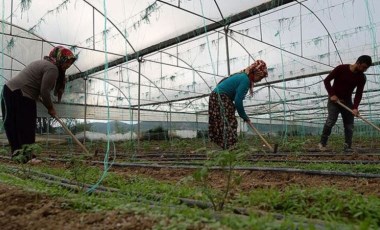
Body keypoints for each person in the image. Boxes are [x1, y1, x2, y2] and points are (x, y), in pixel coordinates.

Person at [1, 46, 76, 163]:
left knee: (13, 125)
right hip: (21, 94)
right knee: (27, 124)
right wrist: (50, 108)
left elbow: (37, 86)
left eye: (70, 64)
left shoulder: (45, 63)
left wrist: (40, 96)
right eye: (67, 62)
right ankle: (28, 157)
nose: (68, 66)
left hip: (9, 90)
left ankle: (17, 155)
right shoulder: (52, 68)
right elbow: (44, 91)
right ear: (60, 58)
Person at [208, 60, 268, 149]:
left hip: (216, 97)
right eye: (260, 77)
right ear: (256, 73)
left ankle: (225, 147)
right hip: (220, 97)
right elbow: (238, 101)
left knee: (223, 122)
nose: (259, 80)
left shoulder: (243, 76)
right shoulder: (245, 80)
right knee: (230, 122)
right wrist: (244, 116)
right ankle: (230, 148)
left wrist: (243, 116)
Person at [319, 55, 372, 152]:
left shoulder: (361, 77)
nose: (364, 70)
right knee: (331, 120)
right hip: (334, 101)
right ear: (358, 63)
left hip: (347, 102)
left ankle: (347, 146)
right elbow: (326, 81)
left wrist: (355, 108)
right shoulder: (341, 68)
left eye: (366, 68)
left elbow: (358, 94)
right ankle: (322, 143)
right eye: (364, 67)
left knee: (349, 125)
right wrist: (332, 94)